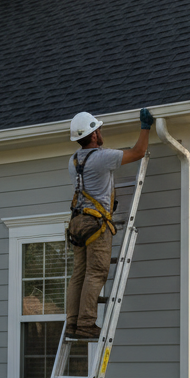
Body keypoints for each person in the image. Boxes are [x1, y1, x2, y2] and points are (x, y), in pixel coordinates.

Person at [65, 108, 153, 340]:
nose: (101, 132)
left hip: (76, 222)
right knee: (96, 273)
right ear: (93, 135)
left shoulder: (73, 161)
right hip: (95, 223)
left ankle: (73, 323)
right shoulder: (103, 158)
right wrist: (145, 127)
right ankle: (86, 324)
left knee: (79, 274)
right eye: (99, 130)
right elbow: (138, 152)